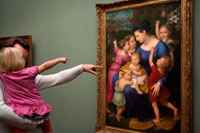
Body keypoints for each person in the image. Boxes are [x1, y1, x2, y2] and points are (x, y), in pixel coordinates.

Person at [0, 37, 101, 132]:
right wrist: (33, 124)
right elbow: (1, 109)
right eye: (18, 56)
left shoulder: (25, 78)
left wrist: (81, 67)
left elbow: (55, 78)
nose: (22, 61)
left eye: (24, 57)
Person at [0, 47, 70, 132]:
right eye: (23, 58)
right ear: (18, 61)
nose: (24, 61)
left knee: (16, 129)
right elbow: (45, 66)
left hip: (17, 112)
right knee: (47, 127)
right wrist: (58, 60)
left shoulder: (3, 76)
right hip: (35, 109)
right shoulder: (28, 73)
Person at [112, 20, 170, 122]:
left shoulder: (160, 46)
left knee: (128, 90)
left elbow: (167, 69)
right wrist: (122, 71)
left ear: (144, 32)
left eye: (138, 36)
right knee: (115, 78)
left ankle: (140, 114)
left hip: (152, 80)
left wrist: (160, 83)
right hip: (139, 75)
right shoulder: (140, 49)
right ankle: (121, 109)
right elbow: (131, 64)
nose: (137, 39)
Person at [148, 47, 178, 123]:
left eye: (160, 60)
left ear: (161, 65)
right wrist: (172, 57)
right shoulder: (165, 71)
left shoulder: (155, 70)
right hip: (160, 89)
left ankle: (158, 119)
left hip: (153, 89)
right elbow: (171, 66)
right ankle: (174, 109)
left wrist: (152, 52)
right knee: (164, 102)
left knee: (154, 105)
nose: (158, 59)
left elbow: (150, 61)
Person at [106, 36, 131, 113]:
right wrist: (130, 54)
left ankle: (113, 105)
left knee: (112, 87)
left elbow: (116, 49)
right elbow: (131, 60)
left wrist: (115, 44)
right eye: (128, 44)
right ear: (123, 46)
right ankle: (106, 106)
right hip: (115, 71)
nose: (129, 45)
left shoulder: (119, 51)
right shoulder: (125, 56)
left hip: (112, 70)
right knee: (111, 87)